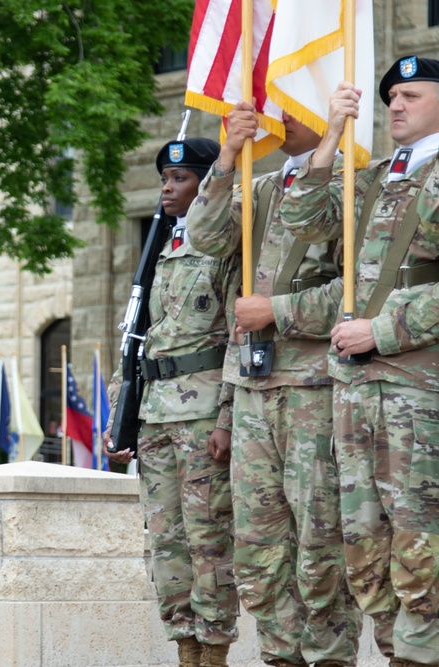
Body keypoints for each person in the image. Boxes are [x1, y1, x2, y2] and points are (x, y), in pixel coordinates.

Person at [187, 104, 364, 667]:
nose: (281, 112)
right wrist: (228, 157)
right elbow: (206, 237)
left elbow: (361, 294)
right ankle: (279, 657)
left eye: (297, 100)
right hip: (252, 386)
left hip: (313, 386)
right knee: (258, 548)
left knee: (320, 541)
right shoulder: (257, 187)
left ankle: (331, 658)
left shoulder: (354, 185)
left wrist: (278, 311)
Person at [279, 54, 439, 667]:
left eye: (413, 95)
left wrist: (383, 328)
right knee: (364, 551)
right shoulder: (376, 179)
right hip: (354, 391)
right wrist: (329, 140)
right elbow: (303, 221)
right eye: (390, 96)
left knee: (420, 545)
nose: (396, 105)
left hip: (415, 389)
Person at [104, 137, 239, 667]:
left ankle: (213, 654)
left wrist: (228, 416)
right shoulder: (159, 246)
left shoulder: (226, 244)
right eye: (164, 177)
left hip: (202, 413)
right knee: (165, 544)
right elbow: (136, 339)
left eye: (180, 178)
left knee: (209, 541)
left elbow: (237, 339)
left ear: (208, 182)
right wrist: (122, 417)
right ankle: (185, 649)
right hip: (156, 415)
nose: (166, 187)